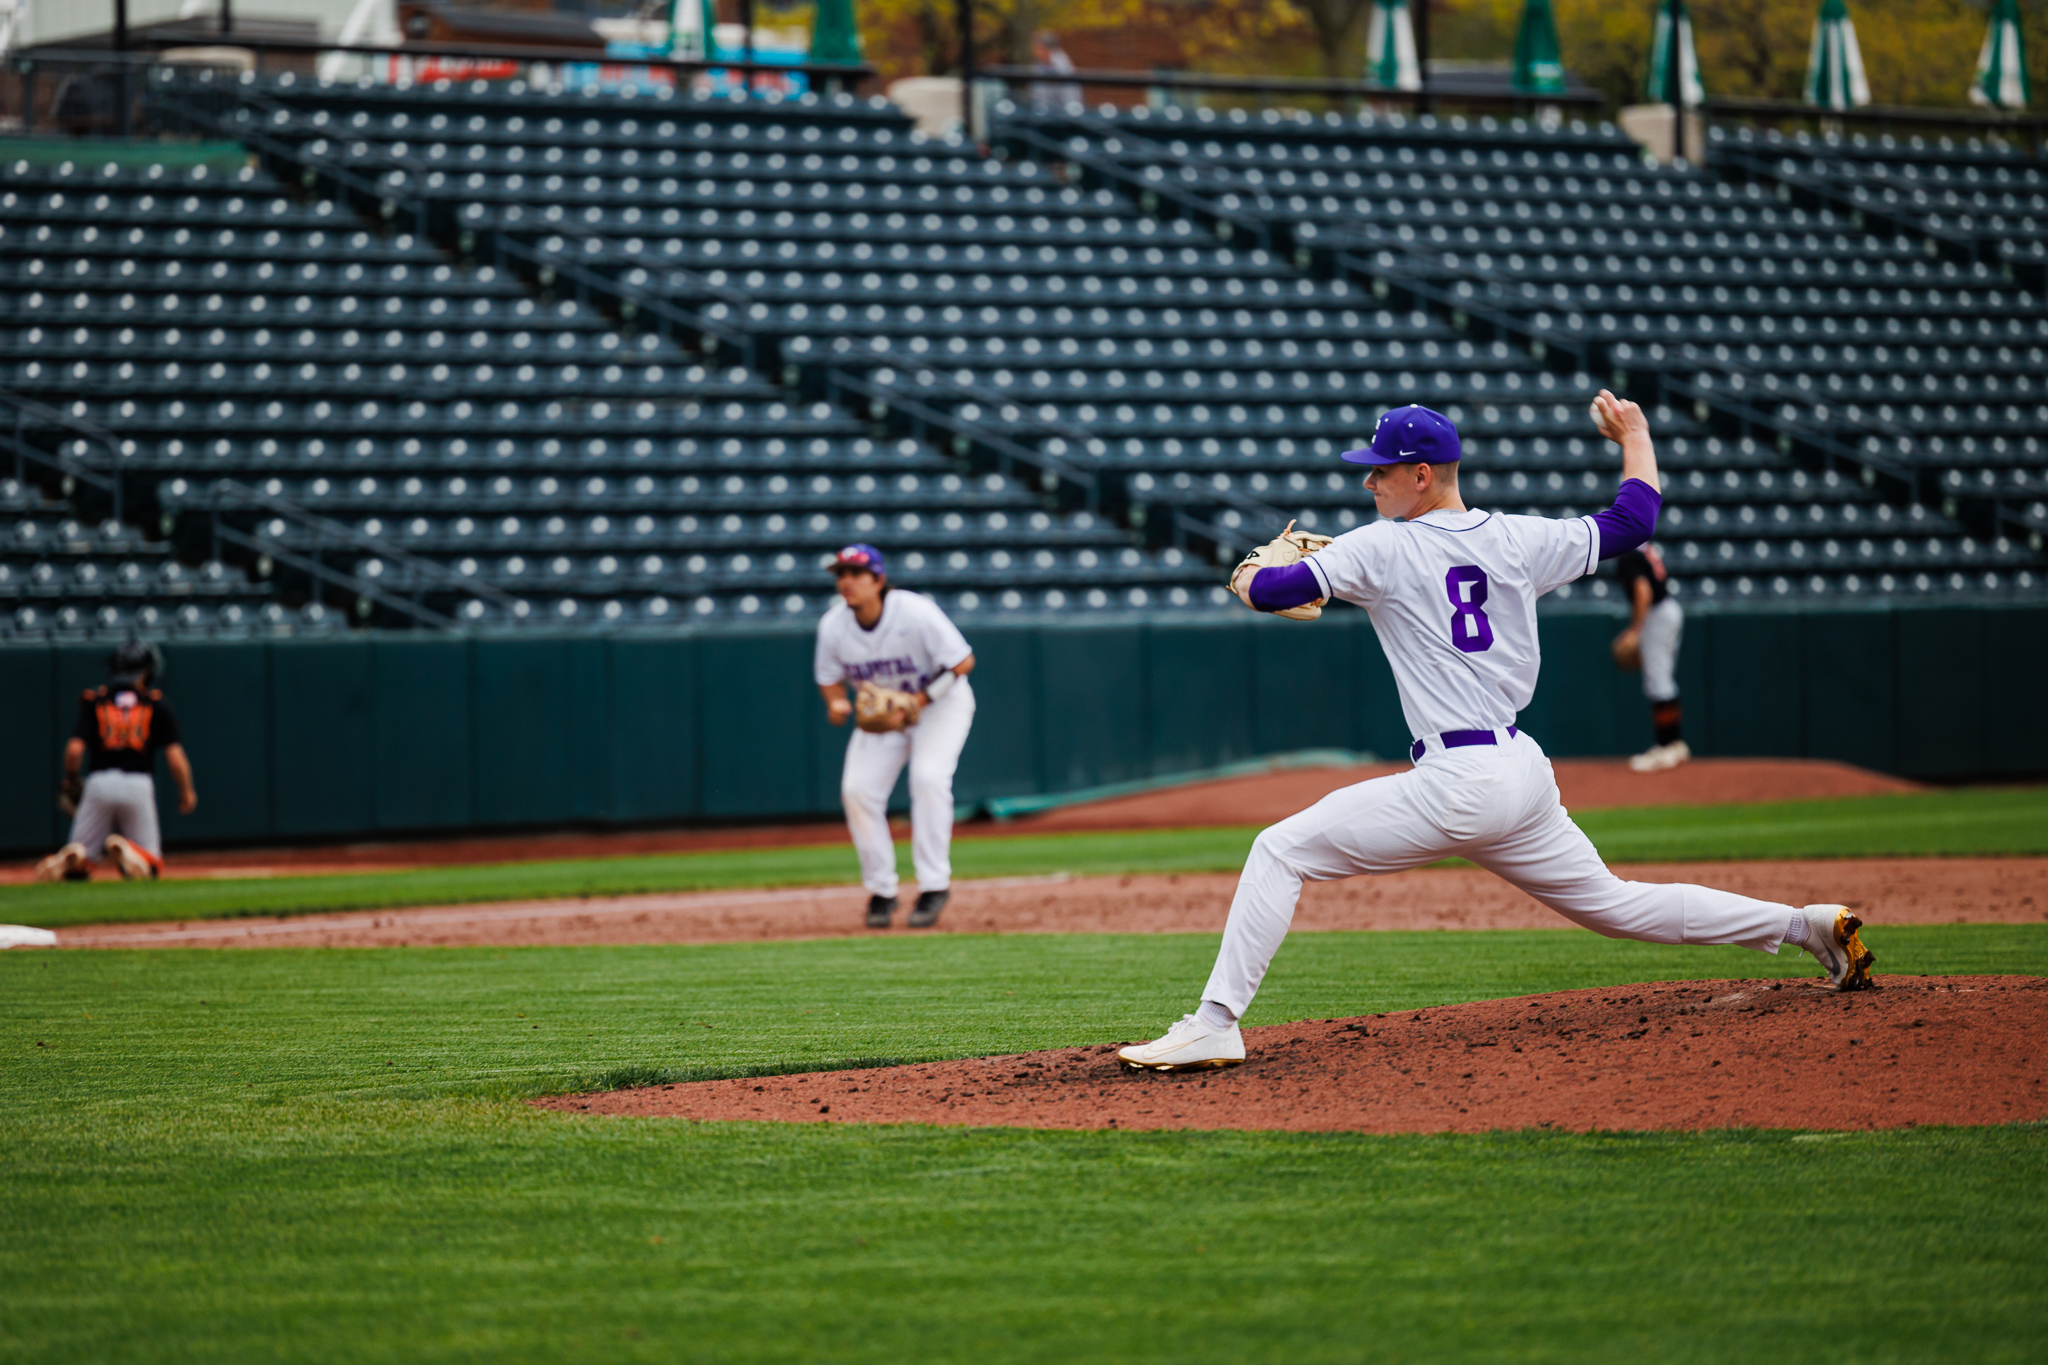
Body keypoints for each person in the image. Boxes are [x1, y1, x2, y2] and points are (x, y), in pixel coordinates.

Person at [1116, 396, 1875, 1071]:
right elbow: (1633, 521)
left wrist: (1247, 576)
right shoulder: (1517, 539)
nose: (1368, 481)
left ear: (1422, 475)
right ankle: (1806, 926)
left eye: (1381, 469)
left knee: (1278, 848)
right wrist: (1635, 437)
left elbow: (1273, 589)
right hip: (1519, 770)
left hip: (1458, 780)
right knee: (1614, 904)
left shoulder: (1381, 546)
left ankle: (1215, 1023)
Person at [813, 544, 977, 929]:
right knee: (857, 790)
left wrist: (916, 701)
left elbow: (962, 662)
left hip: (940, 707)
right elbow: (828, 679)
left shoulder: (914, 611)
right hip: (882, 717)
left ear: (878, 580)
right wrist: (837, 704)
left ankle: (934, 886)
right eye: (840, 574)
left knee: (929, 778)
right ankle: (882, 891)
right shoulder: (833, 626)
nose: (846, 582)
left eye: (855, 573)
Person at [35, 642, 198, 882]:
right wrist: (186, 791)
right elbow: (175, 757)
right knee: (152, 864)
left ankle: (78, 857)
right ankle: (133, 854)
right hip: (138, 783)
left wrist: (70, 779)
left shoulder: (95, 699)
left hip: (99, 782)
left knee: (82, 856)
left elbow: (74, 750)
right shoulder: (156, 703)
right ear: (146, 671)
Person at [1613, 543, 1689, 771]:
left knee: (1658, 681)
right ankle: (1674, 744)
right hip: (1668, 609)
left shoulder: (1628, 553)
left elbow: (1643, 590)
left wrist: (1634, 630)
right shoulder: (1642, 547)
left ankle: (1665, 746)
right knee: (1663, 679)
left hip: (1657, 614)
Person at [1029, 30, 1082, 113]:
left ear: (1043, 47)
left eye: (1036, 46)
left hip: (1062, 114)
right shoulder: (1039, 64)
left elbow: (1070, 97)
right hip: (1043, 113)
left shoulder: (1062, 65)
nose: (1034, 50)